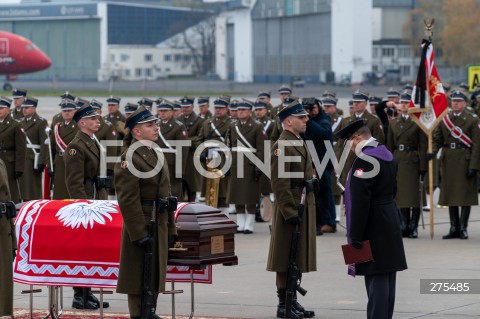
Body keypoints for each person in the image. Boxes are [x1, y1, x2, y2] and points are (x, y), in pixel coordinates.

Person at [336, 119, 407, 319]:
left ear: (357, 138)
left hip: (373, 224)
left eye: (348, 142)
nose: (347, 148)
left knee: (376, 279)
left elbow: (360, 201)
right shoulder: (385, 153)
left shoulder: (365, 160)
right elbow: (393, 190)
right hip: (388, 218)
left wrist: (355, 235)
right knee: (387, 276)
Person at [115, 106, 177, 319]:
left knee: (154, 270)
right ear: (137, 132)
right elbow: (127, 199)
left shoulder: (155, 151)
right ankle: (139, 314)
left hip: (158, 220)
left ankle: (150, 310)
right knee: (137, 274)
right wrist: (139, 232)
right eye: (149, 125)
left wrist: (171, 226)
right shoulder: (129, 157)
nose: (155, 128)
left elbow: (166, 193)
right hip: (142, 222)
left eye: (155, 124)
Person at [267, 100, 316, 319]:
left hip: (302, 205)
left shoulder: (297, 140)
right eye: (301, 117)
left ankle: (292, 300)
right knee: (285, 257)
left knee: (296, 256)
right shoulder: (281, 145)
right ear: (288, 121)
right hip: (291, 209)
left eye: (306, 116)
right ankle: (283, 303)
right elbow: (280, 183)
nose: (306, 120)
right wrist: (289, 211)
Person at [64, 104, 110, 310]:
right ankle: (79, 295)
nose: (97, 121)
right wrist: (82, 207)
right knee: (82, 250)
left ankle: (88, 292)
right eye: (92, 119)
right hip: (85, 203)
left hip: (96, 198)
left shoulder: (92, 141)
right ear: (82, 122)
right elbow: (74, 182)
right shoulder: (76, 146)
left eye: (97, 118)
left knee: (92, 250)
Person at [432, 89, 480, 240]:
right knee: (450, 195)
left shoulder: (472, 120)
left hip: (464, 160)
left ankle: (463, 228)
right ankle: (454, 227)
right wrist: (432, 151)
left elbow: (477, 145)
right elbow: (437, 139)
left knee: (465, 197)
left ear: (465, 103)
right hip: (448, 160)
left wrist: (474, 165)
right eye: (453, 101)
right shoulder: (445, 119)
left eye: (459, 101)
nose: (456, 103)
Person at [386, 92, 427, 238]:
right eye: (402, 102)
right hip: (399, 159)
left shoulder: (418, 122)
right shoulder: (393, 123)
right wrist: (389, 164)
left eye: (406, 102)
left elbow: (423, 146)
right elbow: (389, 146)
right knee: (401, 196)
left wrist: (423, 166)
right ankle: (403, 224)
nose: (403, 105)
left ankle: (413, 226)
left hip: (413, 160)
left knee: (414, 196)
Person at [226, 99, 266, 234]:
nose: (240, 112)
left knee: (249, 196)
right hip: (236, 164)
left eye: (243, 110)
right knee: (237, 194)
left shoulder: (257, 126)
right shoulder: (233, 126)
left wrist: (259, 167)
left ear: (250, 111)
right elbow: (229, 146)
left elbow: (261, 149)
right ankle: (240, 222)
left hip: (250, 164)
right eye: (238, 110)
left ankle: (249, 223)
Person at [301, 97, 336, 236]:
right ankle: (318, 221)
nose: (311, 111)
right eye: (309, 108)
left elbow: (324, 134)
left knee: (326, 192)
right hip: (311, 161)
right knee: (312, 192)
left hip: (324, 161)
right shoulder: (306, 121)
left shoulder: (324, 119)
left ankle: (330, 222)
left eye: (313, 107)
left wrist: (309, 120)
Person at [156, 99, 188, 199]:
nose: (162, 113)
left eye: (165, 111)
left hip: (172, 164)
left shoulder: (178, 126)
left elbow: (183, 149)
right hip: (158, 162)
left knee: (174, 192)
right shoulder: (156, 125)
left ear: (171, 112)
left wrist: (180, 170)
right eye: (161, 110)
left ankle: (176, 212)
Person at [19, 96, 49, 201]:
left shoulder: (41, 122)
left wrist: (42, 161)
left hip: (33, 159)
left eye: (27, 107)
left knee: (32, 188)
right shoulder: (20, 122)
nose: (24, 110)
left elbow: (44, 144)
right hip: (22, 158)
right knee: (21, 187)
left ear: (34, 108)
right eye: (23, 107)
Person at [50, 99, 78, 200]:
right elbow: (52, 147)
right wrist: (51, 164)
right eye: (64, 110)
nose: (66, 113)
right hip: (59, 161)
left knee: (71, 190)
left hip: (74, 162)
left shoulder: (79, 127)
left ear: (75, 111)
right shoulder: (58, 127)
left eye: (69, 110)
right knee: (59, 191)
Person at [178, 96, 204, 202]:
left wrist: (186, 141)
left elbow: (200, 137)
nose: (185, 109)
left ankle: (192, 203)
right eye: (183, 107)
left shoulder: (199, 121)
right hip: (180, 155)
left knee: (192, 184)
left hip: (191, 155)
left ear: (193, 107)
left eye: (187, 107)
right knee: (179, 185)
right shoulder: (178, 120)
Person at [0, 96, 26, 203]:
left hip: (9, 163)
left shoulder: (15, 125)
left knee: (10, 189)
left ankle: (12, 210)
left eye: (1, 108)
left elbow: (21, 149)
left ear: (8, 109)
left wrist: (19, 168)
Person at [0, 158, 17, 316]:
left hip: (3, 225)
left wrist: (13, 238)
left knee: (4, 279)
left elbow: (8, 200)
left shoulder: (1, 163)